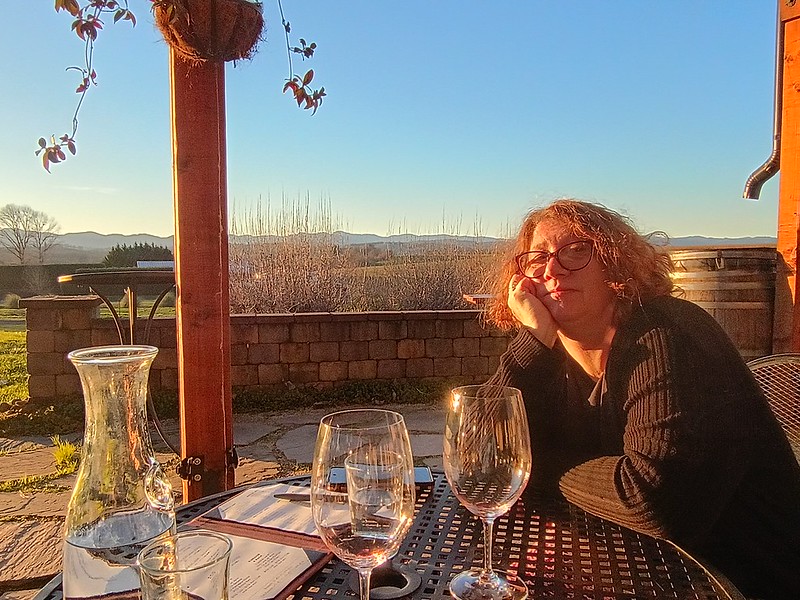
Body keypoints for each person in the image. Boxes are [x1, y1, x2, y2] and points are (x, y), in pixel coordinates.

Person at [483, 198, 800, 599]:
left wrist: (531, 467)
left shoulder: (668, 334)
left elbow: (653, 498)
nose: (553, 268)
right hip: (644, 569)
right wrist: (532, 341)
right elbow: (481, 451)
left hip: (743, 578)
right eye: (537, 257)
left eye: (577, 249)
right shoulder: (555, 355)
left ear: (616, 264)